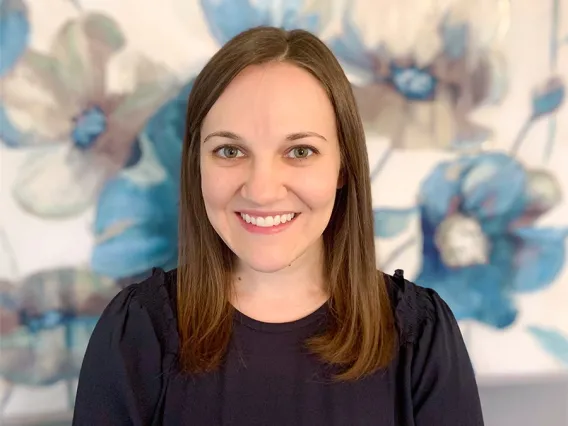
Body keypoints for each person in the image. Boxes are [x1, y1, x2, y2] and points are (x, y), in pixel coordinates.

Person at [73, 26, 484, 425]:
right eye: (230, 150)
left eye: (300, 151)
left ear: (343, 166)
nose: (262, 191)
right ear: (196, 164)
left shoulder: (420, 337)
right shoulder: (135, 335)